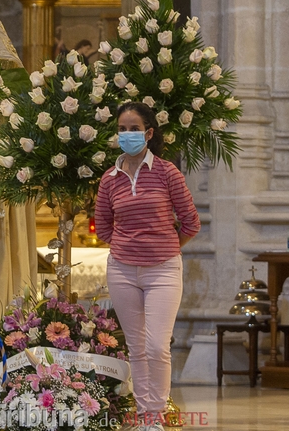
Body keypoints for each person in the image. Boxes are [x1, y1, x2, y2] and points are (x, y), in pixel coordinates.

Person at [94, 102, 200, 431]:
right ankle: (146, 420)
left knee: (157, 345)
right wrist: (129, 248)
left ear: (149, 133)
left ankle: (157, 412)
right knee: (136, 347)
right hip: (123, 269)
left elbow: (191, 223)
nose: (127, 134)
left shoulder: (167, 172)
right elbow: (104, 228)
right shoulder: (109, 179)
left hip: (163, 270)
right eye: (122, 129)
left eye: (133, 128)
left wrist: (164, 247)